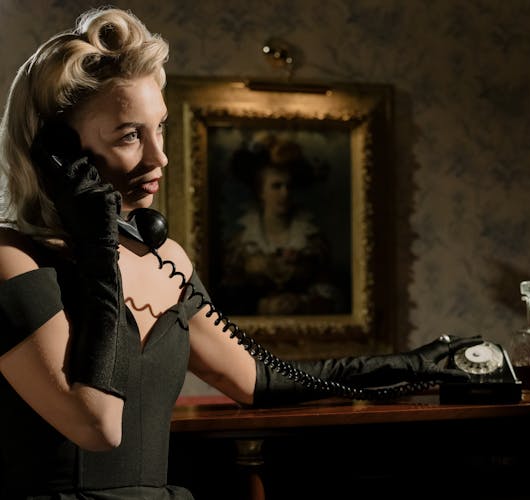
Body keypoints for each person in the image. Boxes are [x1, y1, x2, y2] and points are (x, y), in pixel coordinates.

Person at [0, 7, 479, 499]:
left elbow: (259, 379)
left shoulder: (167, 259)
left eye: (159, 127)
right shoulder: (11, 259)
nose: (159, 156)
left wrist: (422, 365)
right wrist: (99, 247)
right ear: (55, 152)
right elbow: (97, 426)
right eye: (129, 135)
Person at [221, 134, 345, 315]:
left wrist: (302, 304)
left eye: (289, 186)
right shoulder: (240, 245)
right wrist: (262, 306)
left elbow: (333, 298)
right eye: (276, 186)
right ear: (260, 192)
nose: (284, 193)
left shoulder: (314, 243)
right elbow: (224, 301)